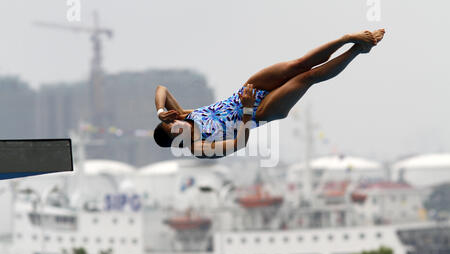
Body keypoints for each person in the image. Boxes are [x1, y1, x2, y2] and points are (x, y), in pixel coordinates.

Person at [153, 29, 385, 158]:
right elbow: (239, 143)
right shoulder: (198, 147)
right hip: (258, 113)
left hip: (246, 91)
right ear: (177, 139)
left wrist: (162, 111)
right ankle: (357, 49)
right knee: (306, 78)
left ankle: (346, 38)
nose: (176, 123)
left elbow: (161, 89)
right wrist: (246, 107)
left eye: (172, 122)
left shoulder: (183, 115)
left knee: (299, 64)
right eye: (173, 128)